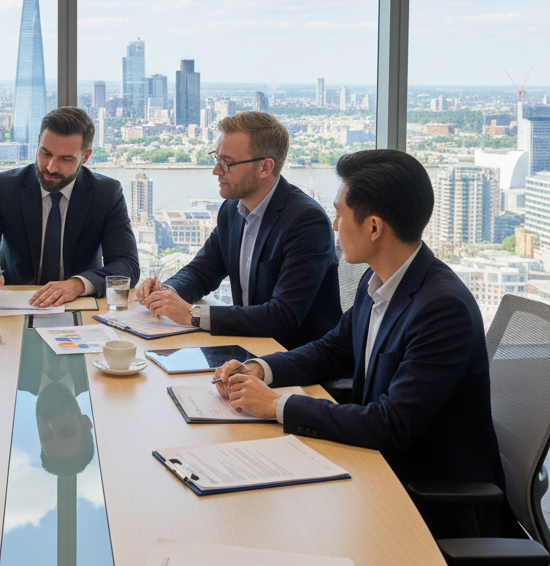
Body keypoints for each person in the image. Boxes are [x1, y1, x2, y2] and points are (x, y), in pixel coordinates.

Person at [214, 149, 503, 535]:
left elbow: (392, 424)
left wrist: (276, 405)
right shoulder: (379, 282)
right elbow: (333, 349)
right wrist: (259, 370)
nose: (334, 226)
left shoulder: (441, 308)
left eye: (340, 214)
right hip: (372, 463)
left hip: (423, 497)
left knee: (270, 525)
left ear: (373, 227)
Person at [135, 111, 341, 349]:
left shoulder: (306, 221)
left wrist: (193, 314)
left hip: (294, 361)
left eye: (227, 163)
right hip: (246, 349)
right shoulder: (232, 209)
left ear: (265, 167)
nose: (216, 170)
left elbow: (282, 316)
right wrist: (166, 293)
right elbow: (202, 271)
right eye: (217, 158)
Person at [0, 107, 139, 307]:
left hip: (78, 304)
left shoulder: (106, 193)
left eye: (65, 159)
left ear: (85, 157)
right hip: (15, 304)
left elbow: (127, 265)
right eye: (45, 153)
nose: (51, 167)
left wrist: (77, 285)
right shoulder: (5, 187)